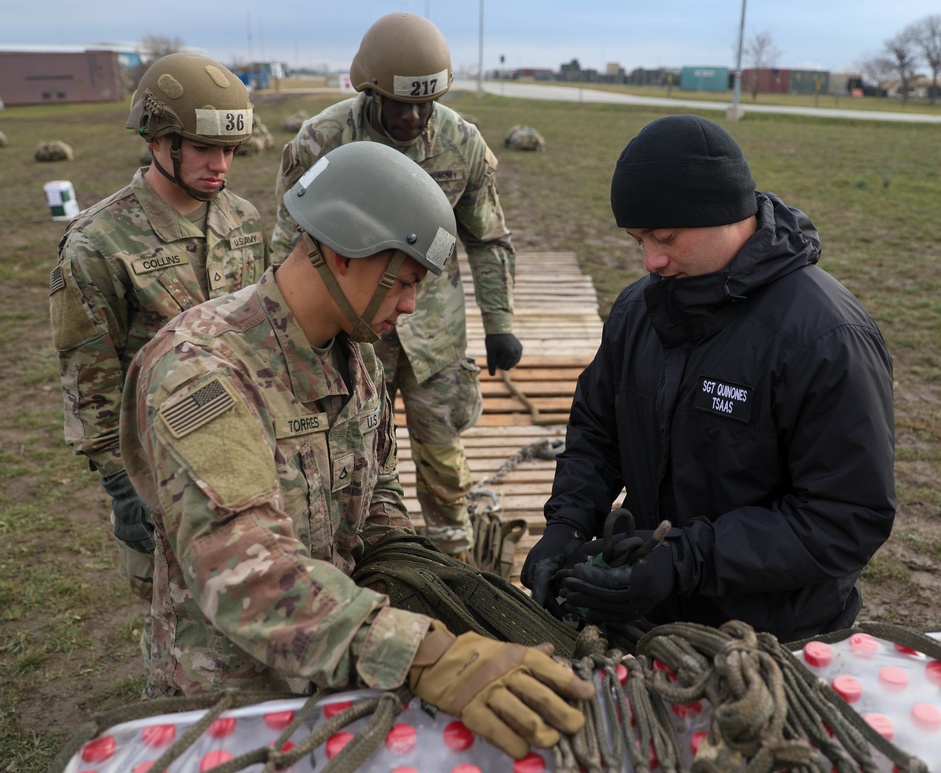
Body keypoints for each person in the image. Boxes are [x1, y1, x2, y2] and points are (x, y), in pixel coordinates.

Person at [119, 142, 594, 760]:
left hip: (345, 670)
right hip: (236, 703)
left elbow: (375, 488)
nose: (410, 305)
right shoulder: (201, 371)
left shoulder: (354, 346)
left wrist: (416, 576)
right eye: (405, 281)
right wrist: (426, 654)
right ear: (344, 252)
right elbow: (243, 571)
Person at [521, 114, 896, 643]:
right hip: (649, 621)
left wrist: (683, 560)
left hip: (774, 638)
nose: (651, 260)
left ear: (725, 213)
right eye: (638, 240)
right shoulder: (638, 312)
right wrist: (568, 523)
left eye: (665, 237)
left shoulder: (825, 337)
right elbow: (596, 433)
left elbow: (846, 517)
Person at [272, 12, 522, 560]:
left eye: (424, 104)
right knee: (351, 461)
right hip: (353, 336)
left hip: (434, 334)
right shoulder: (323, 142)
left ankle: (454, 558)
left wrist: (500, 323)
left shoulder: (462, 144)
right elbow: (288, 248)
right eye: (399, 104)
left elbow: (488, 237)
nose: (412, 116)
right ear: (370, 92)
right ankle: (365, 564)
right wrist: (287, 341)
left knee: (442, 455)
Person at [48, 52, 269, 606]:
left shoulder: (241, 220)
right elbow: (90, 383)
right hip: (160, 468)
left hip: (248, 454)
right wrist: (126, 487)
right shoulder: (98, 243)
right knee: (177, 634)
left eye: (230, 150)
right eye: (203, 147)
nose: (221, 164)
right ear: (157, 139)